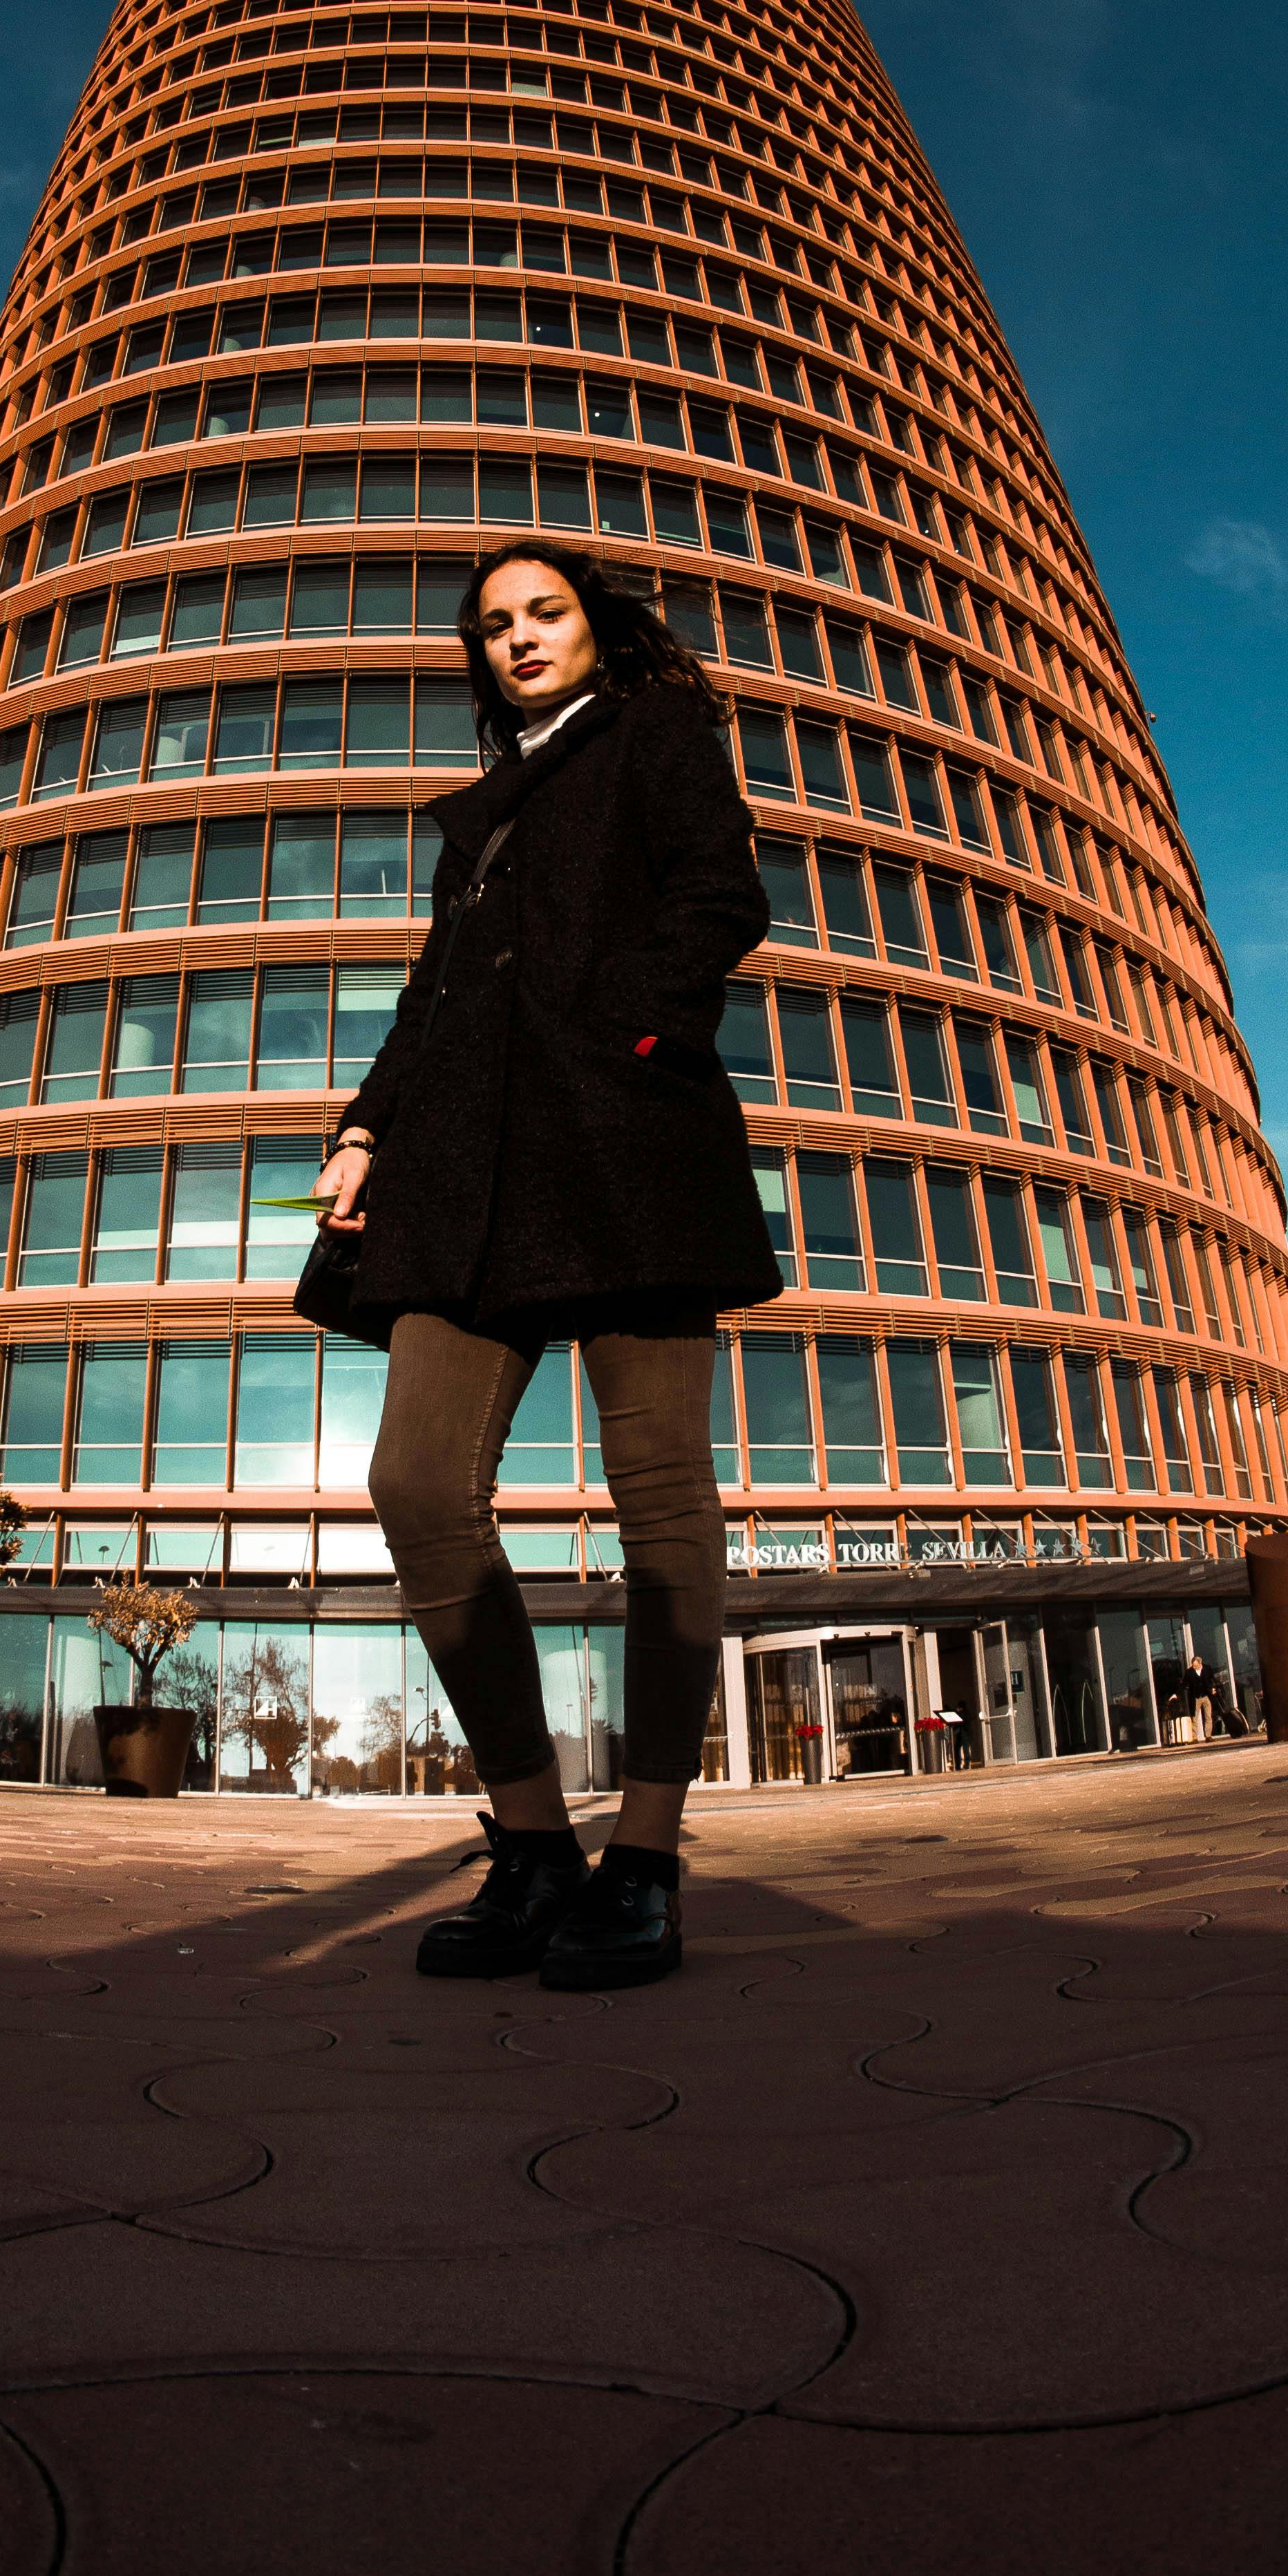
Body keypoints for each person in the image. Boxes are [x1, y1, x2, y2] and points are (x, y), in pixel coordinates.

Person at [310, 547, 780, 1991]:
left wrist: (632, 1042)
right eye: (493, 626)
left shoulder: (654, 731)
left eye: (544, 613)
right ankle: (528, 1842)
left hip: (623, 1149)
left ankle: (640, 1855)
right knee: (414, 1487)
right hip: (470, 1177)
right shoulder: (486, 813)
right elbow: (431, 991)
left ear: (593, 629)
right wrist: (364, 1129)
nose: (517, 639)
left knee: (658, 1499)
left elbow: (717, 900)